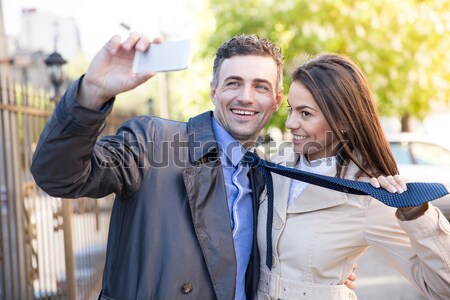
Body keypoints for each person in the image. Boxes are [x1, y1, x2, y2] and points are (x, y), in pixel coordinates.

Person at [31, 33, 396, 300]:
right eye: (233, 83)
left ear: (276, 101)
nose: (245, 97)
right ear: (213, 90)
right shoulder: (152, 141)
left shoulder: (268, 173)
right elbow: (58, 175)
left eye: (261, 87)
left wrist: (327, 279)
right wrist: (92, 92)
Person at [256, 53, 450, 300]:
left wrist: (418, 215)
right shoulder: (272, 167)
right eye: (291, 109)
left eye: (305, 113)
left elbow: (442, 286)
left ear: (342, 122)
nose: (291, 123)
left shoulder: (368, 195)